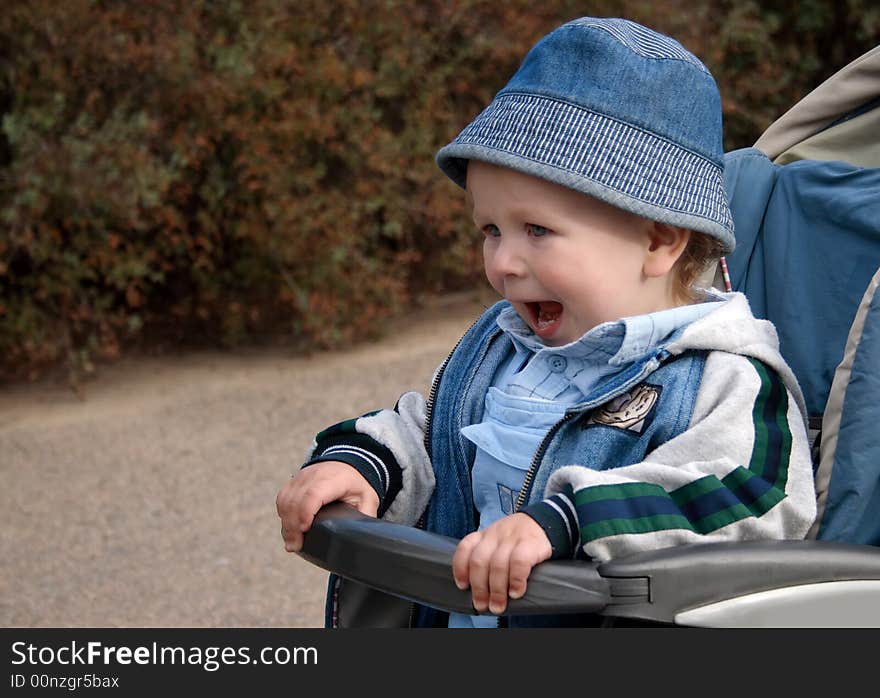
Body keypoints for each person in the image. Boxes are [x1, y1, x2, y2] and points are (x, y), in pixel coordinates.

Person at [276, 17, 817, 628]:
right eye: (491, 230)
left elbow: (753, 498)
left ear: (659, 242)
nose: (504, 263)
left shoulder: (723, 376)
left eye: (537, 231)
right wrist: (356, 464)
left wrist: (569, 520)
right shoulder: (504, 347)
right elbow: (430, 435)